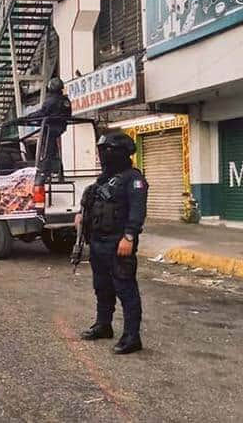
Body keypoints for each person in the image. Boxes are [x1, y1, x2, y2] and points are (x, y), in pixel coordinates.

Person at [77, 132, 148, 355]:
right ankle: (103, 325)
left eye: (107, 151)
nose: (103, 156)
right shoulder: (105, 178)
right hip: (98, 242)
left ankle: (132, 337)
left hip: (119, 243)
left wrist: (129, 236)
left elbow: (137, 211)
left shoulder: (133, 178)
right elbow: (93, 200)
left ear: (119, 152)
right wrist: (81, 214)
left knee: (126, 289)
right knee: (102, 287)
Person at [28, 78, 72, 176]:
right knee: (54, 150)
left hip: (50, 128)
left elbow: (42, 113)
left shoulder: (51, 100)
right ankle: (58, 171)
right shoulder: (66, 100)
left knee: (47, 151)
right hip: (60, 127)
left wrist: (30, 117)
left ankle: (45, 172)